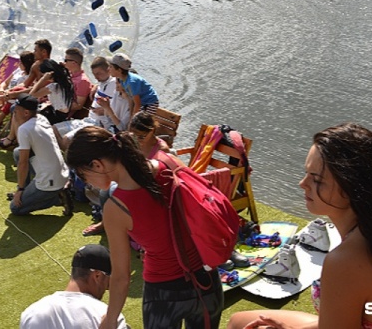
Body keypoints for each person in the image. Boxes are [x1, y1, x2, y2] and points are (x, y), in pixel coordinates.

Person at [227, 123, 372, 329]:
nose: (302, 184)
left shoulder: (346, 262)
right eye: (306, 174)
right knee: (241, 320)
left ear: (352, 189)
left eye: (317, 180)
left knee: (241, 325)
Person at [65, 126, 224, 329]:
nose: (86, 182)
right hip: (208, 283)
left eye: (82, 175)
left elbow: (121, 277)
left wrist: (111, 318)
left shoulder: (115, 208)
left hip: (164, 295)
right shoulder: (168, 162)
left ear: (96, 165)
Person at [81, 112, 174, 237]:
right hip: (134, 179)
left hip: (149, 186)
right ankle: (105, 223)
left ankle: (121, 227)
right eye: (133, 135)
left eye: (141, 136)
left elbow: (159, 176)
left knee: (112, 191)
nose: (137, 140)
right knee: (105, 192)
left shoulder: (161, 149)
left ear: (152, 131)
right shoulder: (134, 142)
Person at [20, 244, 129, 329]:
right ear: (97, 276)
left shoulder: (32, 312)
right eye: (107, 284)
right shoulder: (106, 316)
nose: (106, 289)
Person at [10, 95, 71, 216]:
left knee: (15, 208)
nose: (14, 114)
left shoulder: (25, 129)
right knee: (17, 152)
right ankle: (29, 192)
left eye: (16, 111)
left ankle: (58, 199)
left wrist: (20, 189)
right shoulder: (41, 118)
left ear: (26, 112)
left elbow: (23, 163)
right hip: (62, 174)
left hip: (51, 181)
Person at [88, 56, 132, 132]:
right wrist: (96, 85)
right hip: (92, 120)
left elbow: (121, 126)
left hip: (101, 125)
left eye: (98, 74)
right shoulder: (108, 85)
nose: (95, 77)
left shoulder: (115, 86)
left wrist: (106, 111)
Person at [108, 53, 159, 118]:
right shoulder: (122, 80)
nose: (109, 69)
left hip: (150, 103)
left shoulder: (132, 82)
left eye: (111, 67)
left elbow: (137, 104)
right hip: (141, 102)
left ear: (119, 70)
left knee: (142, 123)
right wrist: (131, 115)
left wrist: (132, 119)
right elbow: (131, 100)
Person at [62, 48, 94, 118]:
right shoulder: (68, 75)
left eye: (65, 60)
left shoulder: (83, 81)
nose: (64, 63)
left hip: (61, 114)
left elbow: (78, 105)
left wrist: (56, 104)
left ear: (74, 63)